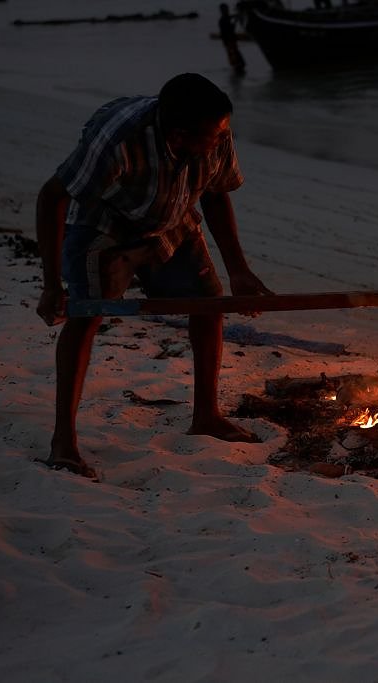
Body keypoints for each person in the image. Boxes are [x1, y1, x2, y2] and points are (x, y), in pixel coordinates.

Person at [35, 73, 272, 479]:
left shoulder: (214, 129)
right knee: (85, 316)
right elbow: (52, 196)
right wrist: (51, 284)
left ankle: (206, 416)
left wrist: (240, 271)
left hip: (170, 218)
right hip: (104, 223)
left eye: (223, 133)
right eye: (213, 137)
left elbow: (215, 193)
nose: (222, 141)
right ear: (179, 135)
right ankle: (63, 440)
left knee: (209, 304)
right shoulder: (117, 143)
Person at [218, 4, 246, 74]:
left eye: (227, 9)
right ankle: (238, 70)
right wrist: (235, 21)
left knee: (236, 58)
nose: (227, 11)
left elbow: (231, 17)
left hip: (230, 41)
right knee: (235, 59)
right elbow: (229, 30)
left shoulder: (224, 18)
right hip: (229, 41)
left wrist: (236, 16)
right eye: (226, 9)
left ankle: (238, 70)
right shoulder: (223, 20)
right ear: (222, 11)